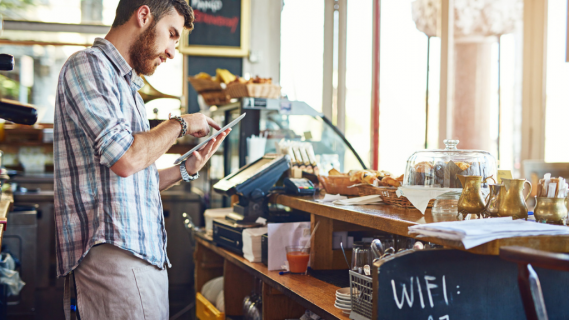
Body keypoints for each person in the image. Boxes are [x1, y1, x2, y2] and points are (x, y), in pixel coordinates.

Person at [53, 1, 226, 319]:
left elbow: (132, 180)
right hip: (115, 255)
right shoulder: (88, 66)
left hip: (140, 255)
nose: (173, 52)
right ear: (144, 15)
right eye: (171, 34)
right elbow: (127, 159)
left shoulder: (128, 88)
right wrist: (181, 124)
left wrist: (186, 168)